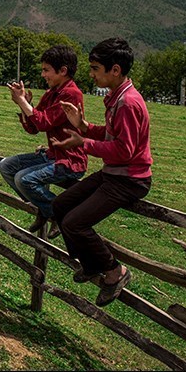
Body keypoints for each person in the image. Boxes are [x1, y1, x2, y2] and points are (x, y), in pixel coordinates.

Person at [51, 37, 152, 307]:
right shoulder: (117, 98)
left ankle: (114, 272)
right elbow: (110, 135)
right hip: (114, 173)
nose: (91, 74)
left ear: (115, 70)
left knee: (74, 223)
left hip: (129, 179)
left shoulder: (128, 103)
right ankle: (90, 263)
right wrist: (83, 125)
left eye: (95, 68)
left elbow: (124, 151)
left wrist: (83, 143)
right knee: (60, 205)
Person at [0, 45, 87, 239]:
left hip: (70, 160)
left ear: (63, 71)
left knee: (24, 179)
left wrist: (23, 102)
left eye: (46, 70)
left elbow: (45, 122)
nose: (43, 74)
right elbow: (33, 128)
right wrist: (24, 106)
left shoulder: (71, 94)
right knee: (6, 166)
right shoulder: (51, 93)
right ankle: (44, 207)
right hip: (52, 155)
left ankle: (57, 213)